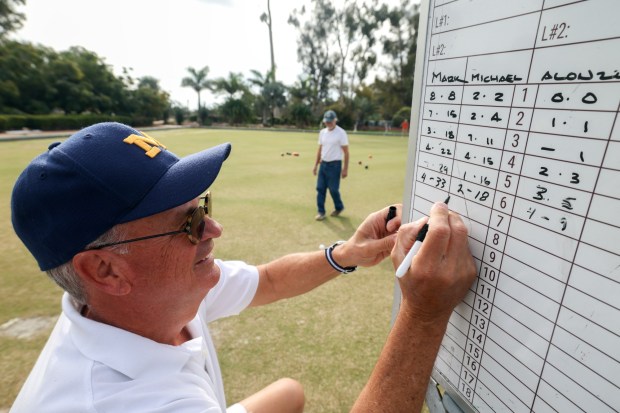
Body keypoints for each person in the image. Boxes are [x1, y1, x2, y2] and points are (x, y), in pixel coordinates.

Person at [10, 122, 476, 413]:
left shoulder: (138, 298)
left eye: (203, 206)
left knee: (288, 394)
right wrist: (423, 315)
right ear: (106, 271)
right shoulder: (125, 402)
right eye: (189, 222)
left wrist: (347, 253)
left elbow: (268, 280)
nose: (213, 229)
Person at [312, 110, 350, 221]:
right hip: (323, 164)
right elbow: (320, 149)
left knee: (333, 189)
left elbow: (346, 152)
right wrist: (315, 165)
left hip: (335, 165)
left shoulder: (341, 133)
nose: (328, 123)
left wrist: (345, 169)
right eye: (326, 122)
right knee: (320, 189)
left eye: (330, 121)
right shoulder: (322, 132)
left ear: (335, 120)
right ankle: (321, 212)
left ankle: (339, 207)